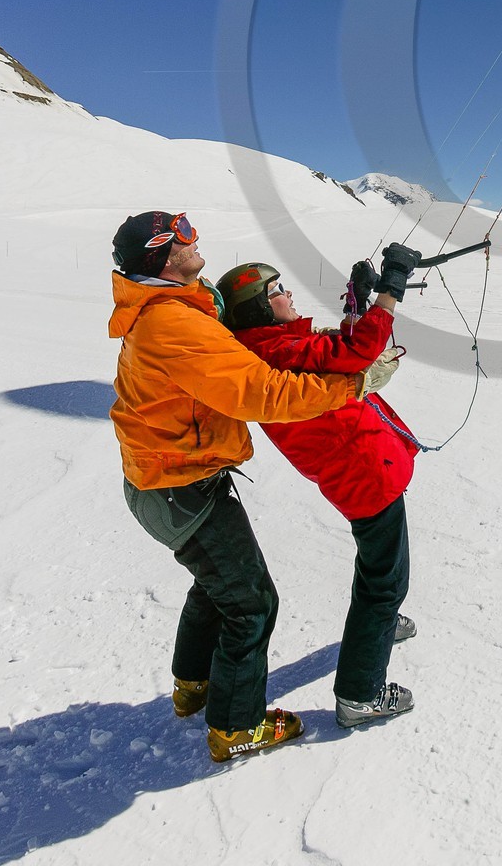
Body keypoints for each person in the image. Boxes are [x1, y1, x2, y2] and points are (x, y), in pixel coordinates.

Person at [109, 209, 364, 764]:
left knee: (215, 587)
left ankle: (192, 688)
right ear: (161, 255)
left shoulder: (172, 307)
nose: (193, 237)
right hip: (182, 488)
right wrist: (350, 386)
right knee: (251, 604)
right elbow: (261, 392)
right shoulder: (173, 323)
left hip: (161, 481)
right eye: (180, 234)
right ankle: (236, 727)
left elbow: (236, 349)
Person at [217, 243, 423, 730]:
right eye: (278, 291)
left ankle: (383, 627)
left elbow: (334, 350)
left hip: (359, 469)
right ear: (261, 308)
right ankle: (360, 694)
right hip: (364, 474)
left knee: (378, 567)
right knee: (385, 582)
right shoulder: (282, 352)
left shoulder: (269, 348)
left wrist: (358, 300)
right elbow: (356, 350)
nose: (288, 295)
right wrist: (391, 290)